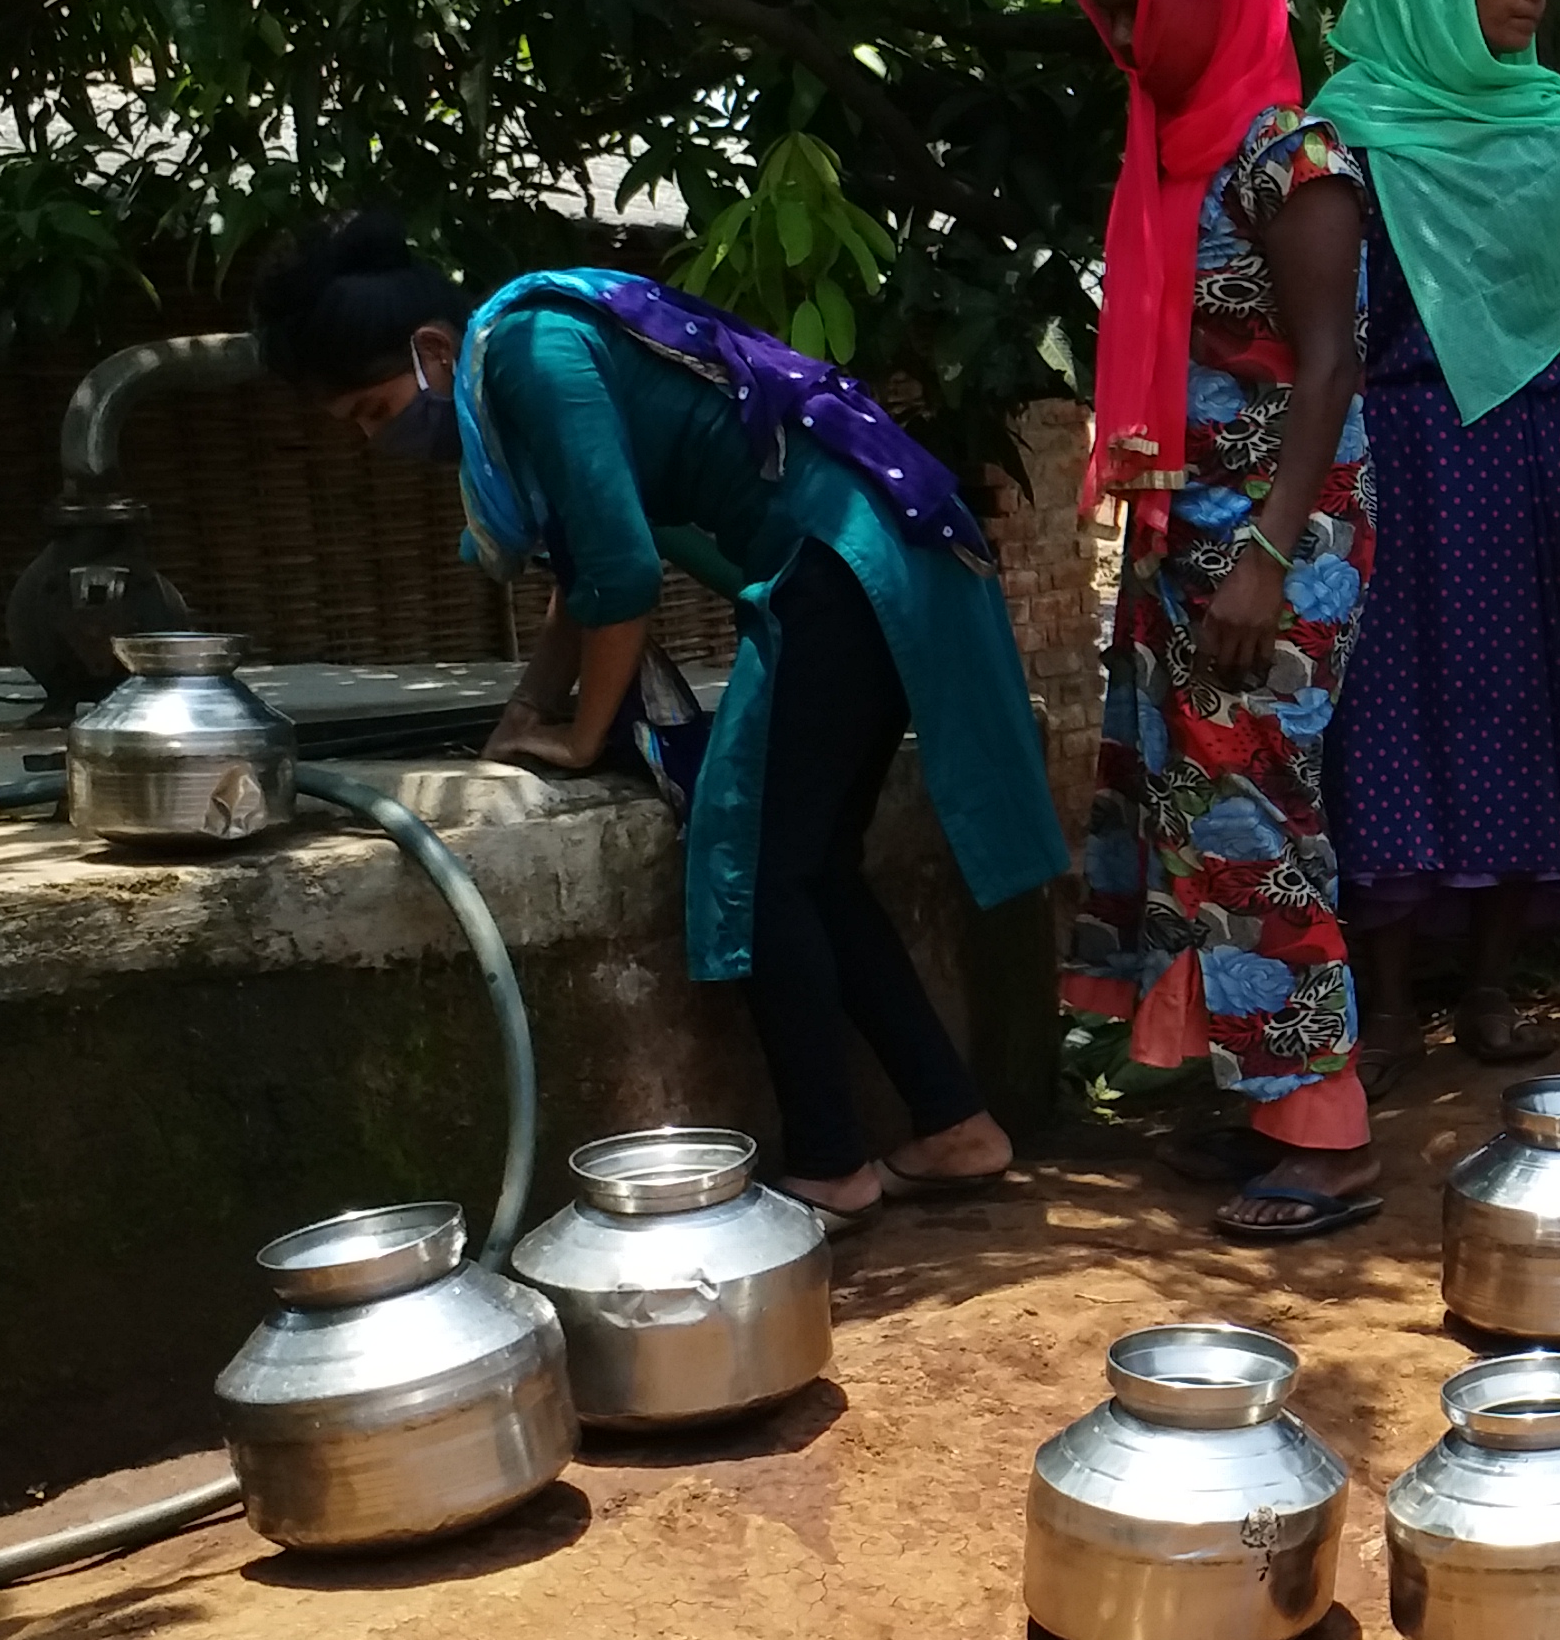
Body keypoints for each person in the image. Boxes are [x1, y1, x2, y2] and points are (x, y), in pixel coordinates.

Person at [254, 218, 1065, 1233]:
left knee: (753, 863)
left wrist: (582, 736)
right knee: (811, 865)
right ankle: (953, 1125)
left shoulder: (530, 356)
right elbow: (579, 570)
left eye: (373, 412)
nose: (378, 441)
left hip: (838, 563)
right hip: (876, 550)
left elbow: (625, 573)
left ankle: (829, 1168)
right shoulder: (533, 345)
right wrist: (527, 709)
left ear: (431, 350)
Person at [1058, 0, 1386, 1241]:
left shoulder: (1292, 159)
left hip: (1279, 539)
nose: (1129, 36)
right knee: (1196, 816)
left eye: (1149, 6)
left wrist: (1261, 555)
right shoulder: (1171, 158)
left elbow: (1326, 370)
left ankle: (1329, 1133)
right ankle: (1261, 1101)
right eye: (1113, 11)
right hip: (1185, 536)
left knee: (1259, 818)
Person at [1309, 0, 1560, 1075]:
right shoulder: (1347, 130)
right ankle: (1391, 1004)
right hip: (1390, 456)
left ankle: (1494, 989)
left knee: (1519, 710)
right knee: (1384, 714)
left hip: (1524, 460)